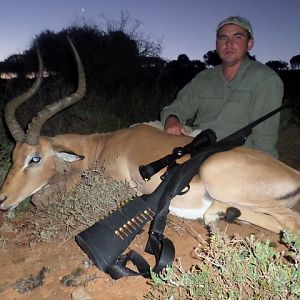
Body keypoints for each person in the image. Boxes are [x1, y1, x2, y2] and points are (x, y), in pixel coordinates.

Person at [160, 16, 284, 158]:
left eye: (237, 37)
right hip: (196, 140)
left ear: (249, 44)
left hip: (237, 153)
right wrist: (172, 120)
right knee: (145, 130)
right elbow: (177, 108)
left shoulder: (266, 78)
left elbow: (265, 141)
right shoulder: (204, 77)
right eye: (223, 38)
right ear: (217, 44)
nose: (229, 44)